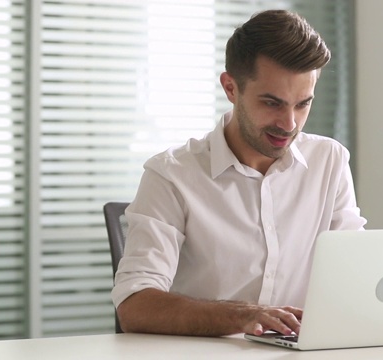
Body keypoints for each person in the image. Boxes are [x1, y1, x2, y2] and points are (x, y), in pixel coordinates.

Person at [111, 9, 366, 337]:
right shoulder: (170, 175)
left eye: (302, 104)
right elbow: (135, 305)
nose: (289, 124)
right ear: (231, 88)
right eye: (272, 103)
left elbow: (356, 270)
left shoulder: (329, 161)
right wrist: (243, 316)